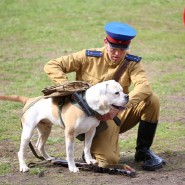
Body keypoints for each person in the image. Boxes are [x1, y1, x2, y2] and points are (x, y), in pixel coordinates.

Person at [44, 22, 165, 171]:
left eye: (122, 50)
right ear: (105, 42)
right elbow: (52, 65)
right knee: (108, 161)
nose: (117, 54)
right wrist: (68, 88)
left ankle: (143, 152)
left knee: (151, 99)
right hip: (90, 118)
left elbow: (144, 86)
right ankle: (90, 150)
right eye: (114, 49)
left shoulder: (132, 63)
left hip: (115, 114)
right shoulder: (87, 57)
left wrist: (121, 108)